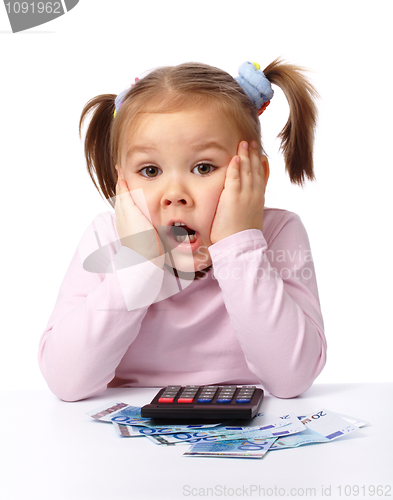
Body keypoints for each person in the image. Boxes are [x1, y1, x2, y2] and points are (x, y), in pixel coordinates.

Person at [38, 59, 327, 402]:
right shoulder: (107, 237)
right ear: (123, 183)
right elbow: (66, 381)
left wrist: (238, 245)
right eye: (149, 170)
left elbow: (291, 379)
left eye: (203, 167)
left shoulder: (277, 233)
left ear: (255, 174)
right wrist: (140, 262)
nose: (175, 193)